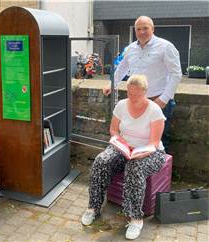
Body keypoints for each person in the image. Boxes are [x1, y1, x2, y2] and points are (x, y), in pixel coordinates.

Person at [82, 75, 166, 240]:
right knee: (101, 161)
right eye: (129, 94)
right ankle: (93, 208)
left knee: (134, 168)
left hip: (150, 152)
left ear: (145, 92)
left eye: (137, 94)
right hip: (124, 147)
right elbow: (113, 130)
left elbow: (154, 143)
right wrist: (119, 142)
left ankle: (135, 219)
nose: (132, 98)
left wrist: (138, 153)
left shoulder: (155, 110)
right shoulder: (121, 105)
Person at [103, 16, 182, 152]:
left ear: (153, 29)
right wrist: (112, 84)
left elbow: (176, 74)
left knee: (160, 140)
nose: (141, 32)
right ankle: (136, 165)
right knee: (136, 137)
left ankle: (160, 172)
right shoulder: (130, 49)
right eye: (138, 29)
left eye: (145, 28)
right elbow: (122, 68)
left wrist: (163, 99)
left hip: (157, 100)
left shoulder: (166, 47)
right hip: (135, 101)